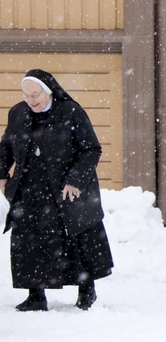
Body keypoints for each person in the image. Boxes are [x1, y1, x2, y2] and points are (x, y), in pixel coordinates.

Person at [0, 70, 114, 312]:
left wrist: (74, 180)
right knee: (29, 241)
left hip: (66, 189)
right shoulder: (18, 113)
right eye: (26, 95)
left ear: (48, 90)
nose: (31, 100)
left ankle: (86, 291)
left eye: (35, 94)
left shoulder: (71, 112)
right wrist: (2, 174)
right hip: (30, 187)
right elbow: (6, 146)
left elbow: (91, 149)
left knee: (76, 240)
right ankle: (36, 295)